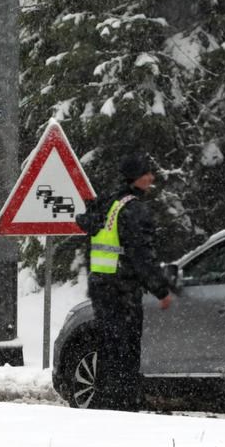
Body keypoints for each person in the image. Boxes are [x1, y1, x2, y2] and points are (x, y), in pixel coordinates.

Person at [77, 150, 174, 411]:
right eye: (147, 174)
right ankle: (123, 405)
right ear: (136, 178)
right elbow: (141, 255)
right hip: (123, 290)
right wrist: (161, 290)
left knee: (109, 347)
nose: (152, 178)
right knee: (126, 351)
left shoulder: (109, 202)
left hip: (101, 286)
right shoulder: (133, 210)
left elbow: (90, 231)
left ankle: (107, 401)